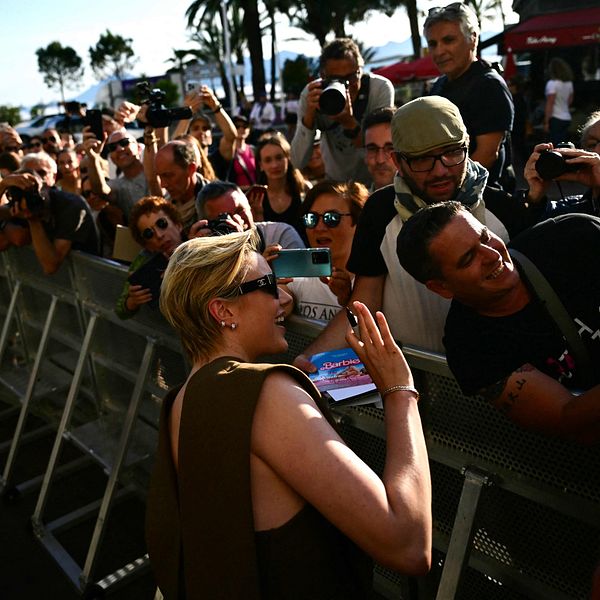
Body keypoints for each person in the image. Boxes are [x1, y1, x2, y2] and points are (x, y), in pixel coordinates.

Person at [145, 229, 432, 597]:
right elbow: (406, 544)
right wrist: (399, 391)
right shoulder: (266, 393)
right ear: (223, 310)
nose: (282, 299)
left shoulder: (181, 399)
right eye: (267, 285)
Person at [293, 96, 543, 368]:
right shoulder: (380, 212)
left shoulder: (507, 212)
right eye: (422, 159)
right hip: (409, 378)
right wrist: (310, 360)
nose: (440, 170)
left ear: (467, 146)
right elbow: (363, 304)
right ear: (398, 161)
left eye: (451, 153)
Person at [396, 201, 600, 444]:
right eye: (468, 258)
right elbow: (566, 417)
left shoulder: (573, 237)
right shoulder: (471, 347)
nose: (492, 255)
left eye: (484, 237)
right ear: (441, 287)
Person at [425, 2, 514, 187]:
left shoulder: (489, 85)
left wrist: (451, 194)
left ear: (473, 38)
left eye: (448, 40)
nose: (439, 51)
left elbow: (487, 155)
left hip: (482, 199)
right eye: (433, 44)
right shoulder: (439, 86)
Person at [291, 38, 394, 185]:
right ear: (323, 76)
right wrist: (308, 118)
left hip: (375, 183)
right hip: (337, 184)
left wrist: (349, 123)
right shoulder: (313, 94)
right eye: (335, 79)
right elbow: (298, 161)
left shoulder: (379, 89)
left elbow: (380, 150)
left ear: (361, 70)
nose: (345, 86)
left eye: (351, 77)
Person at [0, 154, 98, 272]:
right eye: (26, 176)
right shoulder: (20, 201)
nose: (34, 182)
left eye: (40, 174)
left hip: (87, 278)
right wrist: (3, 185)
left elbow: (50, 266)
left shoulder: (71, 206)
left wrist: (32, 219)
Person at [285, 180, 367, 322]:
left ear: (357, 222)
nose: (320, 228)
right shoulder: (297, 277)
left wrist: (347, 299)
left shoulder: (375, 284)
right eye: (312, 219)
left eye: (332, 218)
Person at [115, 196, 184, 319]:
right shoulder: (143, 262)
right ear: (147, 245)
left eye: (162, 224)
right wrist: (132, 301)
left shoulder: (199, 244)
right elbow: (120, 310)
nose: (159, 235)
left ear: (178, 225)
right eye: (149, 234)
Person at [193, 180, 305, 252]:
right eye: (225, 218)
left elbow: (300, 285)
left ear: (250, 207)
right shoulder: (205, 251)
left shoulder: (280, 235)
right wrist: (194, 255)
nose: (236, 220)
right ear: (207, 225)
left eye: (240, 210)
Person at [83, 129, 148, 220]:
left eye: (124, 142)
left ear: (138, 147)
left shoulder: (156, 170)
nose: (119, 149)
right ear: (111, 159)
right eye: (112, 147)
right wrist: (93, 157)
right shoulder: (117, 186)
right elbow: (99, 189)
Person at [253, 132, 310, 234]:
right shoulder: (256, 196)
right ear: (260, 165)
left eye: (279, 158)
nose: (274, 165)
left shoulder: (304, 189)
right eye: (268, 160)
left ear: (288, 158)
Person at [153, 140, 210, 231]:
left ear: (191, 169)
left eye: (168, 176)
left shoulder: (212, 204)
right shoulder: (166, 205)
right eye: (159, 176)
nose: (163, 184)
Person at [211, 114, 257, 188]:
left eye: (245, 126)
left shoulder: (254, 150)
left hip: (253, 195)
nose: (241, 129)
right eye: (237, 126)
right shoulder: (226, 151)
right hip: (235, 194)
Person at [362, 106, 396, 191]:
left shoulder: (425, 202)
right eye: (372, 149)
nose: (380, 160)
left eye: (390, 148)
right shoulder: (359, 203)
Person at [544, 57, 574, 146]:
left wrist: (546, 121)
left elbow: (550, 102)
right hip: (566, 117)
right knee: (564, 144)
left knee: (554, 144)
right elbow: (570, 100)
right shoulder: (569, 83)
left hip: (555, 118)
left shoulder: (552, 84)